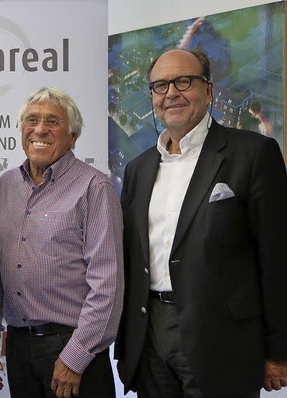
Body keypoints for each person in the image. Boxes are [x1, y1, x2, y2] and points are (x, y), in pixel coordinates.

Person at [115, 48, 287, 398]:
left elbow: (277, 258)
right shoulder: (138, 169)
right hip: (150, 336)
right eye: (160, 86)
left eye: (183, 81)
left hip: (223, 340)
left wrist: (278, 350)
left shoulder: (254, 154)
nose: (171, 93)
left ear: (208, 90)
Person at [0, 86, 124, 398]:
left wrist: (75, 358)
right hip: (19, 347)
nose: (40, 129)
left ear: (73, 136)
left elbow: (107, 286)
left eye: (52, 122)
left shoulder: (95, 188)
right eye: (31, 120)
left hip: (73, 348)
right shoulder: (3, 188)